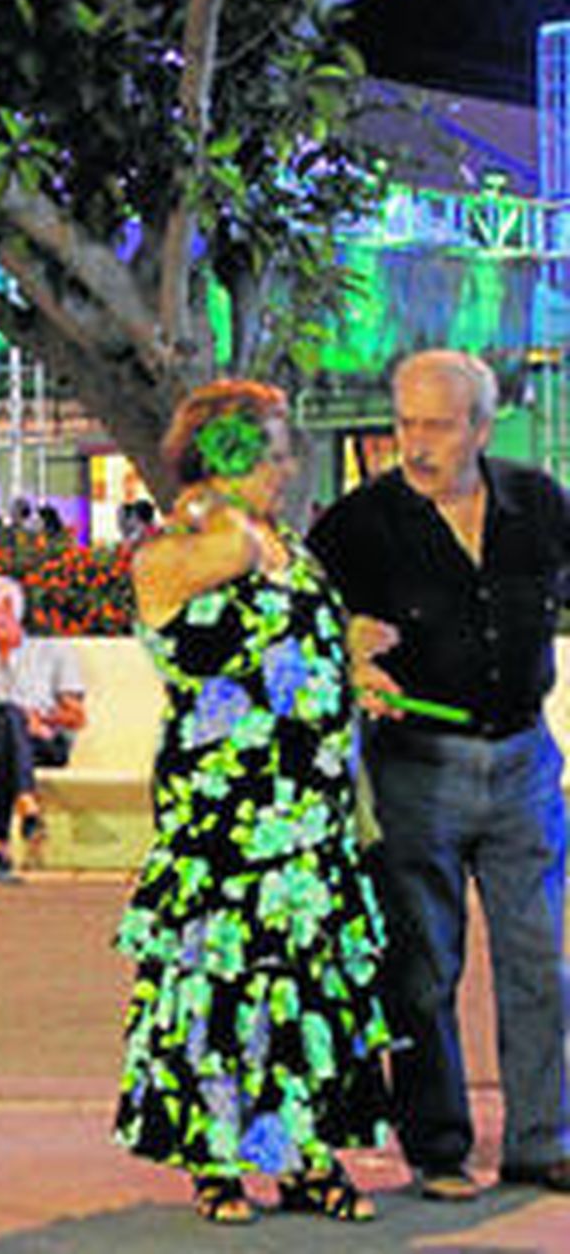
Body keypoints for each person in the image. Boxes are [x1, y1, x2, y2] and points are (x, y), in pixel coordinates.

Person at [116, 378, 389, 1226]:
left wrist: (353, 663)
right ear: (225, 456)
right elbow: (168, 599)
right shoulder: (195, 544)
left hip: (307, 814)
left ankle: (300, 1156)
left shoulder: (281, 546)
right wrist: (216, 507)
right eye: (270, 450)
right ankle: (215, 1158)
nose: (287, 466)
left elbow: (293, 650)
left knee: (300, 989)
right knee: (223, 984)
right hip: (228, 819)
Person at [309, 349, 570, 1199]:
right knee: (422, 970)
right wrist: (349, 657)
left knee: (540, 962)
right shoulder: (356, 525)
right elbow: (302, 633)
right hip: (415, 771)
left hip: (525, 762)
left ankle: (542, 1141)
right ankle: (439, 1147)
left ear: (483, 428)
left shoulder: (540, 504)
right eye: (404, 423)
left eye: (437, 426)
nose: (414, 445)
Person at [0, 575, 86, 880]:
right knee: (5, 720)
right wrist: (8, 718)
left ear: (6, 607)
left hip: (44, 743)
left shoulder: (54, 652)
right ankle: (26, 802)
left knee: (7, 730)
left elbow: (76, 717)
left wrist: (40, 720)